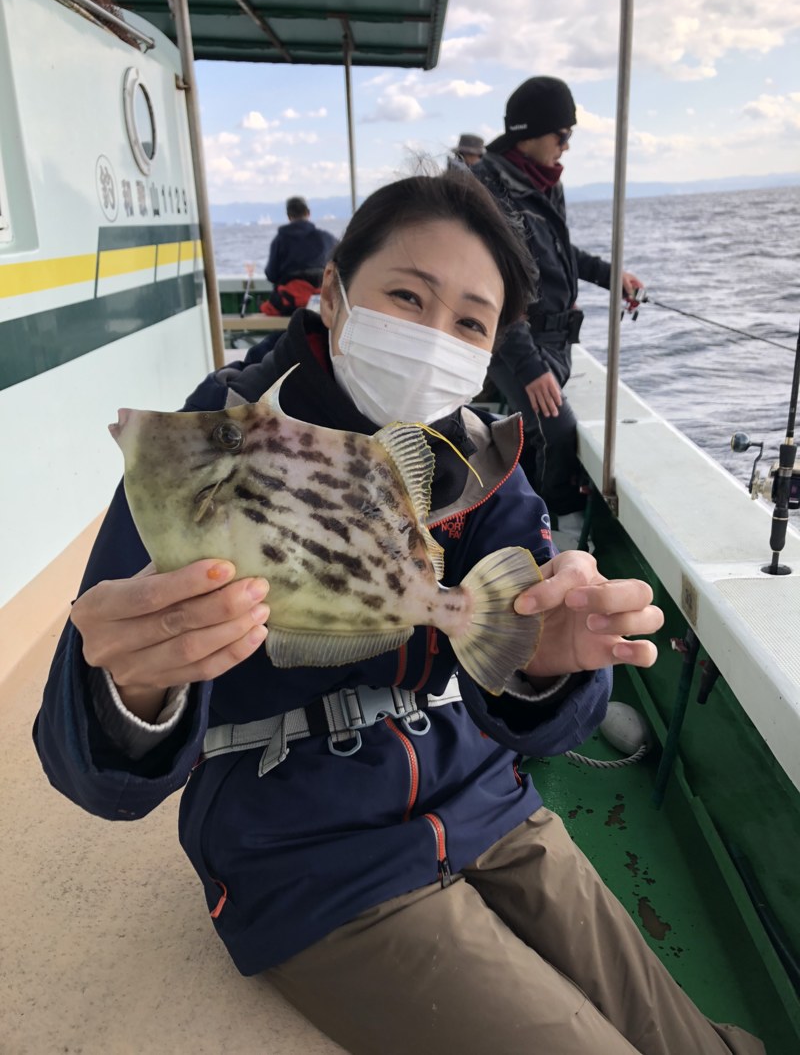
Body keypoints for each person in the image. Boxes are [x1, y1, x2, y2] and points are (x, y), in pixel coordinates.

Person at [33, 169, 762, 1055]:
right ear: (335, 290)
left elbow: (530, 686)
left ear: (492, 348)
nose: (431, 339)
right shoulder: (222, 436)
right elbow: (91, 753)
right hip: (304, 850)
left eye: (470, 324)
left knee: (689, 1036)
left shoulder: (479, 458)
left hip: (483, 796)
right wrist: (131, 688)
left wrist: (548, 659)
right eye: (407, 297)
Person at [472, 76, 645, 528]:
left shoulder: (544, 181)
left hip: (556, 342)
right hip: (514, 341)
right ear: (529, 133)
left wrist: (612, 276)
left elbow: (560, 253)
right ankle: (546, 528)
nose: (566, 146)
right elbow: (491, 286)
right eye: (562, 135)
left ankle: (515, 511)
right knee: (556, 429)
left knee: (537, 431)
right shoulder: (488, 189)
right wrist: (530, 367)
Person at [264, 195, 336, 288]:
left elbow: (271, 275)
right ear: (308, 213)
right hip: (321, 293)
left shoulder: (279, 241)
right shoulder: (327, 238)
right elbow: (341, 262)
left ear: (288, 216)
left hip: (289, 295)